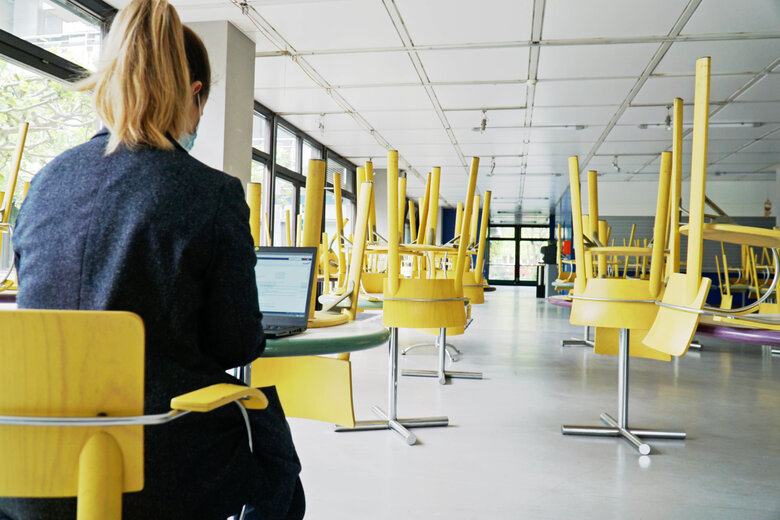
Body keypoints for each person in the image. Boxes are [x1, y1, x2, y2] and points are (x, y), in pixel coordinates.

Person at [0, 1, 304, 519]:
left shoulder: (45, 182)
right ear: (193, 96)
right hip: (157, 471)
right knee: (277, 473)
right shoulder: (212, 194)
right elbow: (237, 342)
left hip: (27, 470)